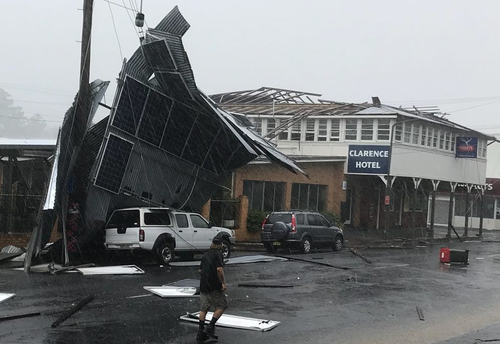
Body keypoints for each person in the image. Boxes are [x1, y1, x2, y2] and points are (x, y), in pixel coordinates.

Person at [196, 237, 228, 343]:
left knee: (204, 309)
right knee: (222, 305)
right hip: (213, 285)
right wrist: (222, 282)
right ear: (220, 245)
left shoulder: (206, 255)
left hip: (203, 285)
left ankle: (200, 332)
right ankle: (209, 327)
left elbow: (200, 270)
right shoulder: (218, 254)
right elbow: (219, 269)